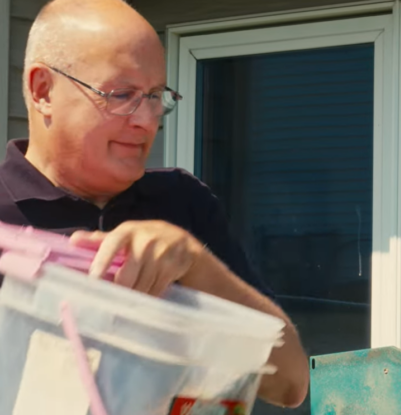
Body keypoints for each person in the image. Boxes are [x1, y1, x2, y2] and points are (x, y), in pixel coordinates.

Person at [0, 0, 309, 408]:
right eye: (122, 94)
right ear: (43, 91)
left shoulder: (183, 203)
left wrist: (196, 264)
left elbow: (290, 383)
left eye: (155, 96)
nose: (147, 119)